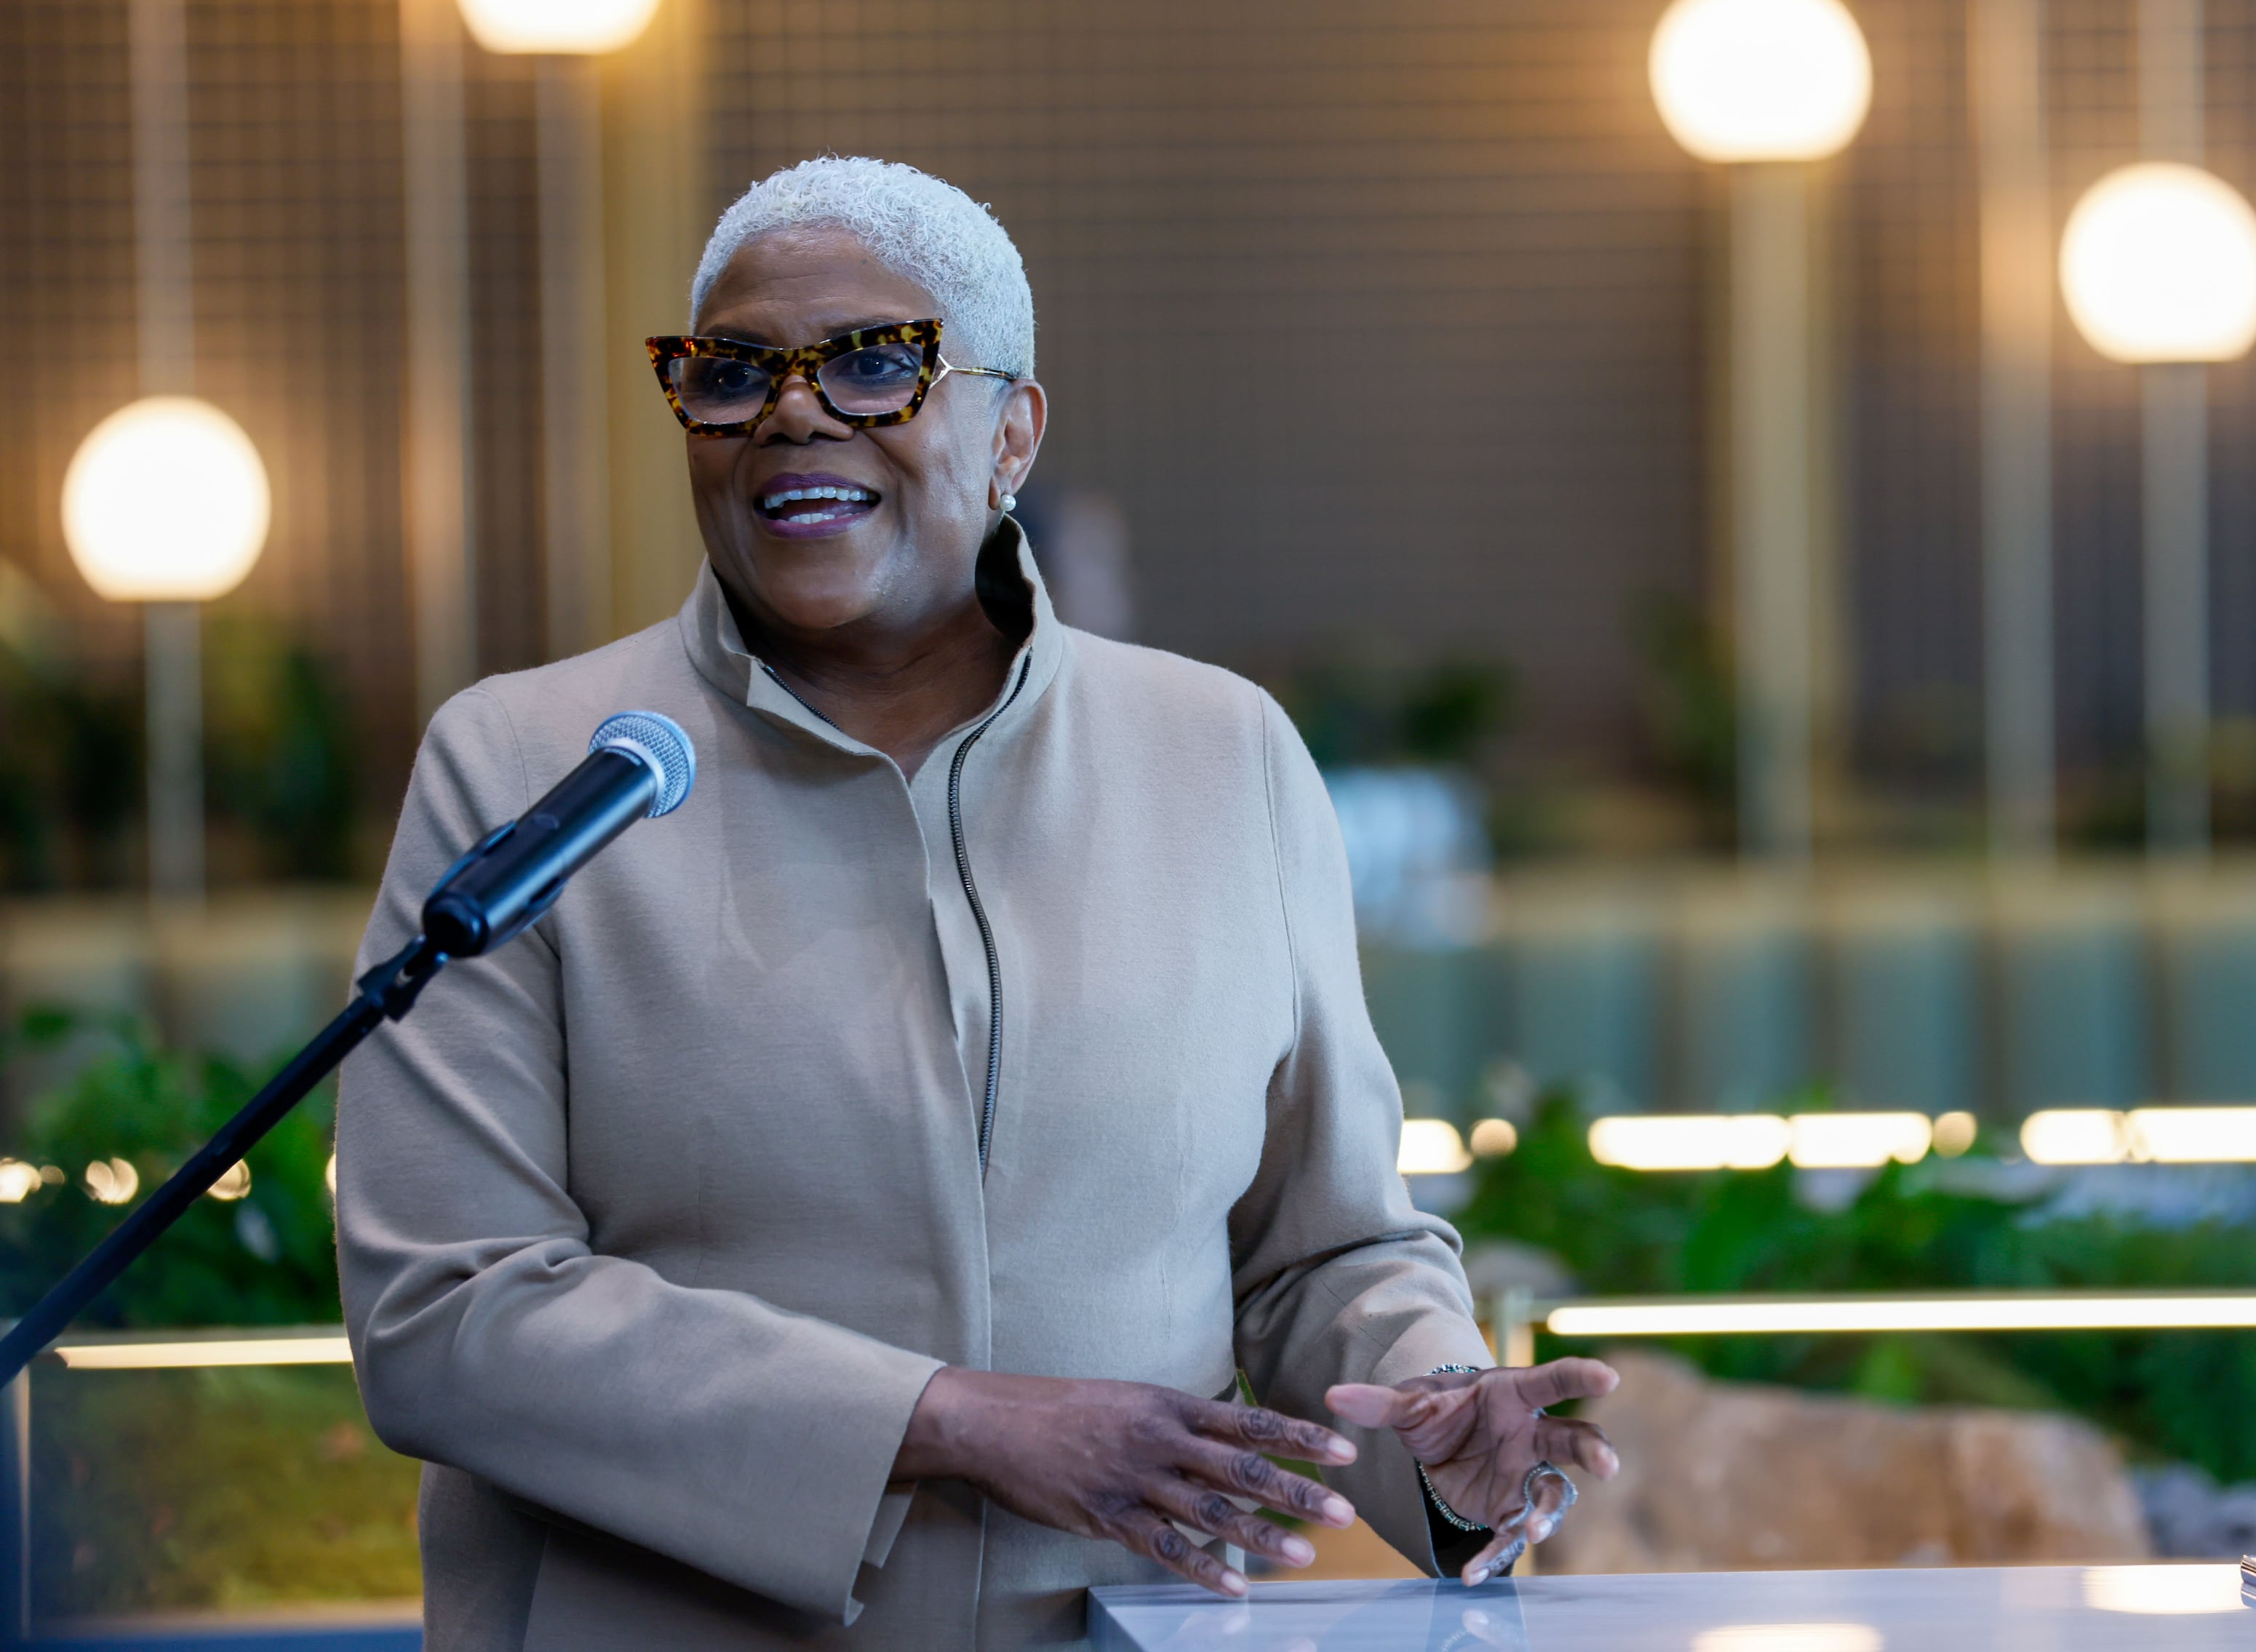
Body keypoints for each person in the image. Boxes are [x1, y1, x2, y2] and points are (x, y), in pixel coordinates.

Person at [335, 156, 1619, 1651]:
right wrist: (948, 1419)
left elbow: (1324, 1247)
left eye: (880, 363)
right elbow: (449, 1313)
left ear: (1014, 432)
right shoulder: (527, 767)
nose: (794, 411)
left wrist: (1444, 1427)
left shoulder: (1226, 756)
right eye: (734, 371)